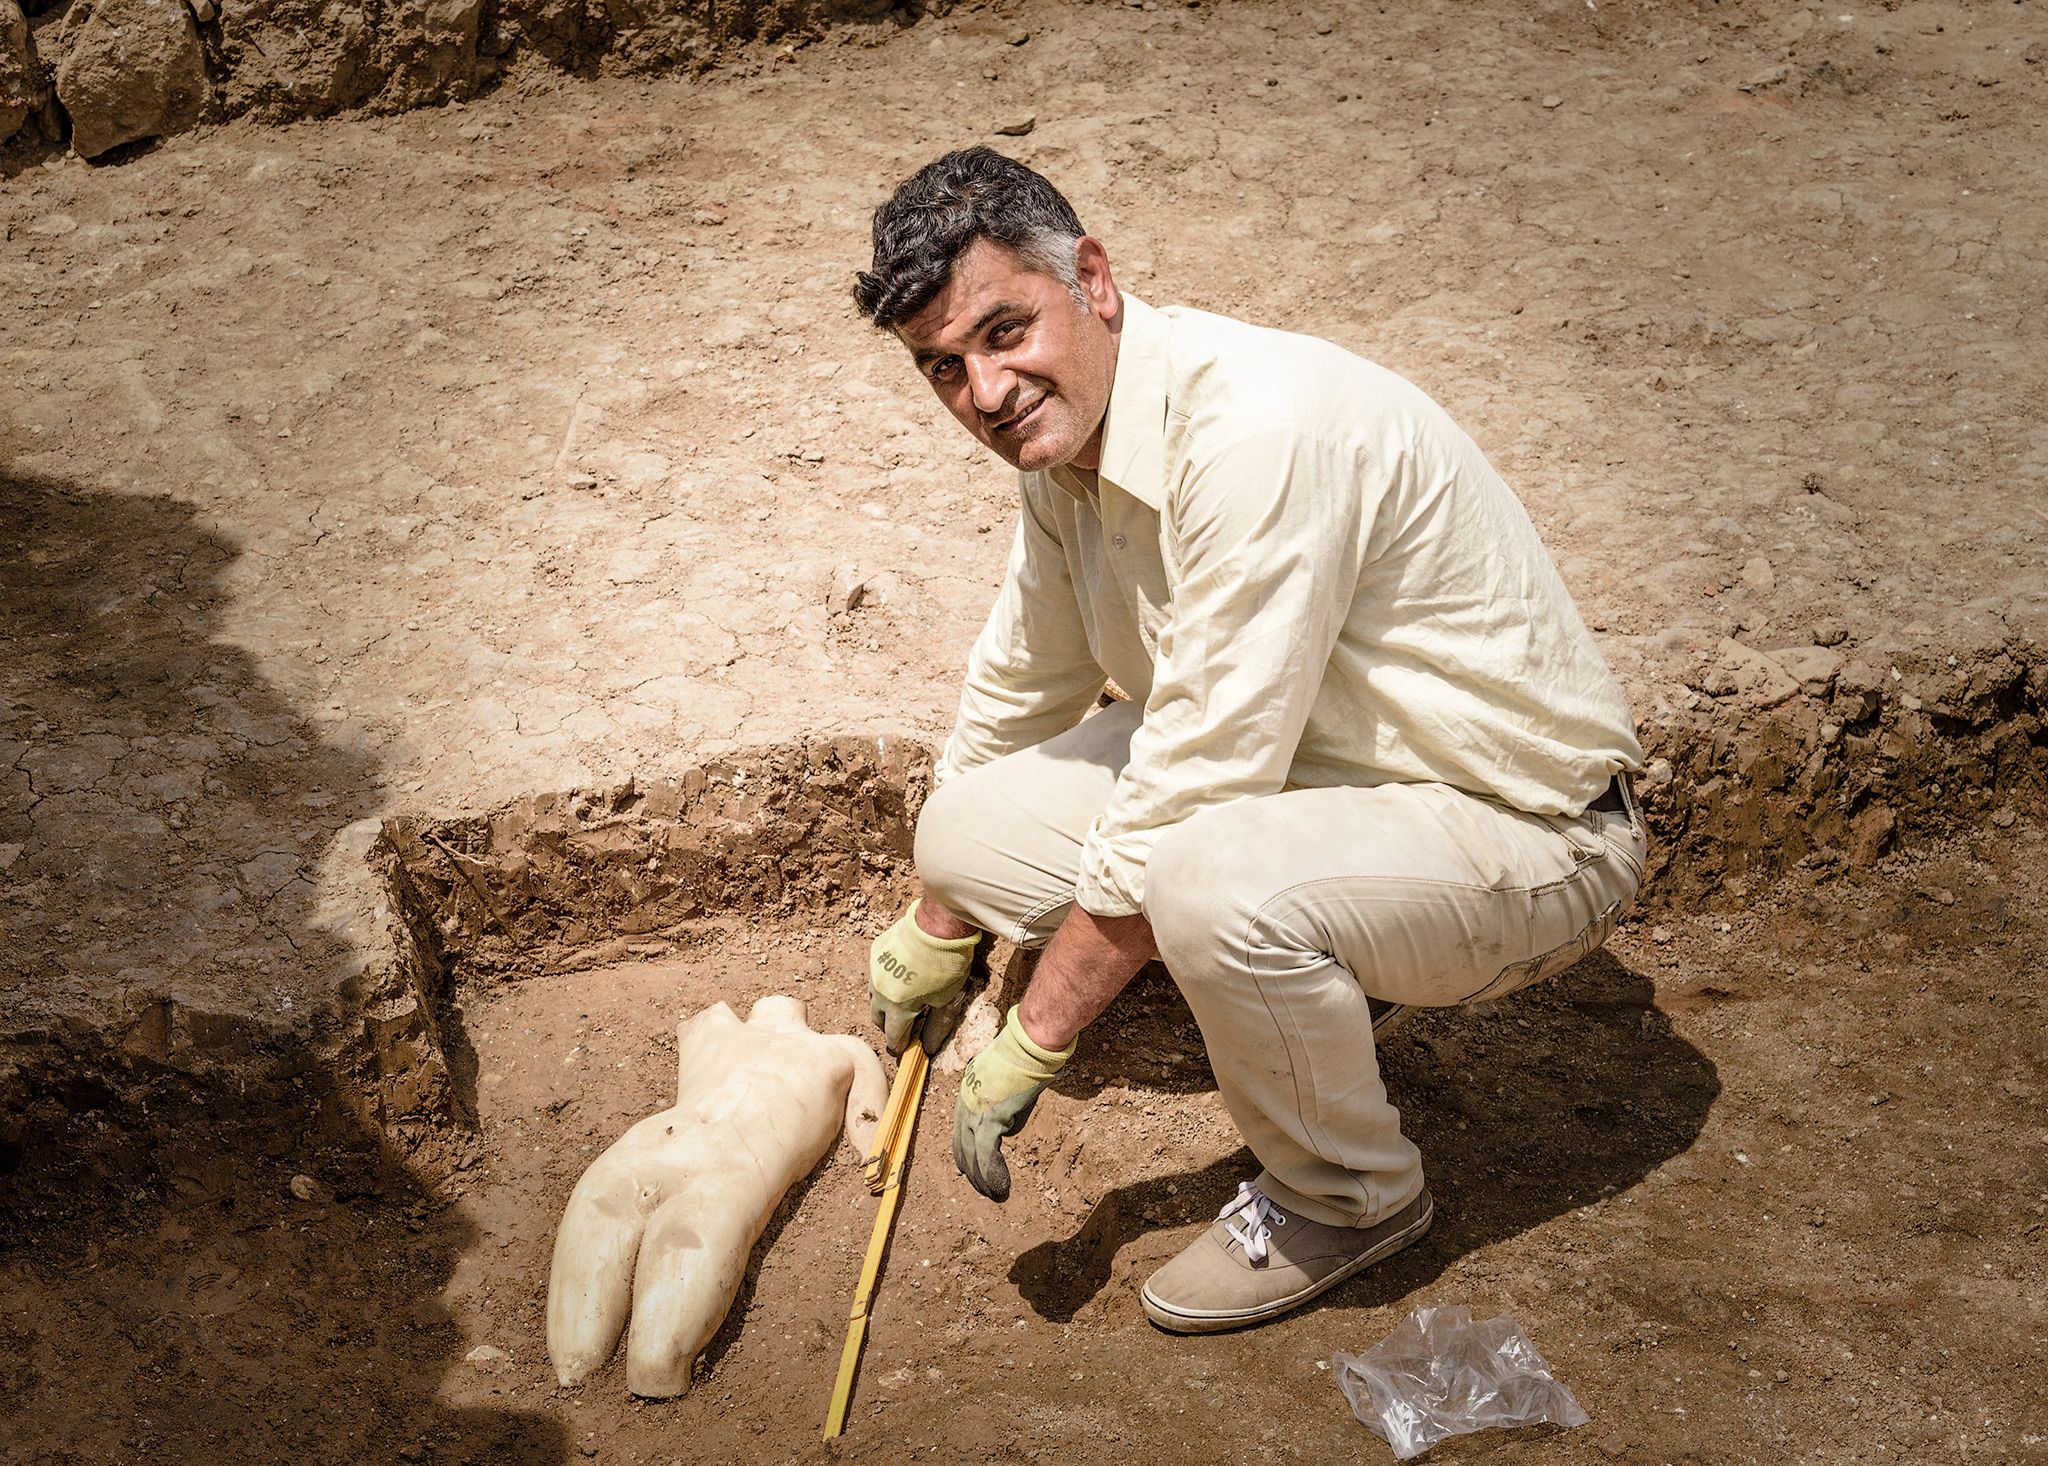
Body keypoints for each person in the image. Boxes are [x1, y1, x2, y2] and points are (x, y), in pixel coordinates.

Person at [852, 147, 1647, 1334]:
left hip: (1519, 824)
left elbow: (1195, 781)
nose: (986, 390)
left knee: (1205, 877)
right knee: (963, 831)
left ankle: (1349, 1192)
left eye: (1005, 331)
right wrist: (939, 917)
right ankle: (1323, 968)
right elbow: (1026, 672)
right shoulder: (1069, 446)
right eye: (943, 368)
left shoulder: (1259, 431)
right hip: (1321, 769)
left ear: (1093, 280)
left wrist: (1036, 1032)